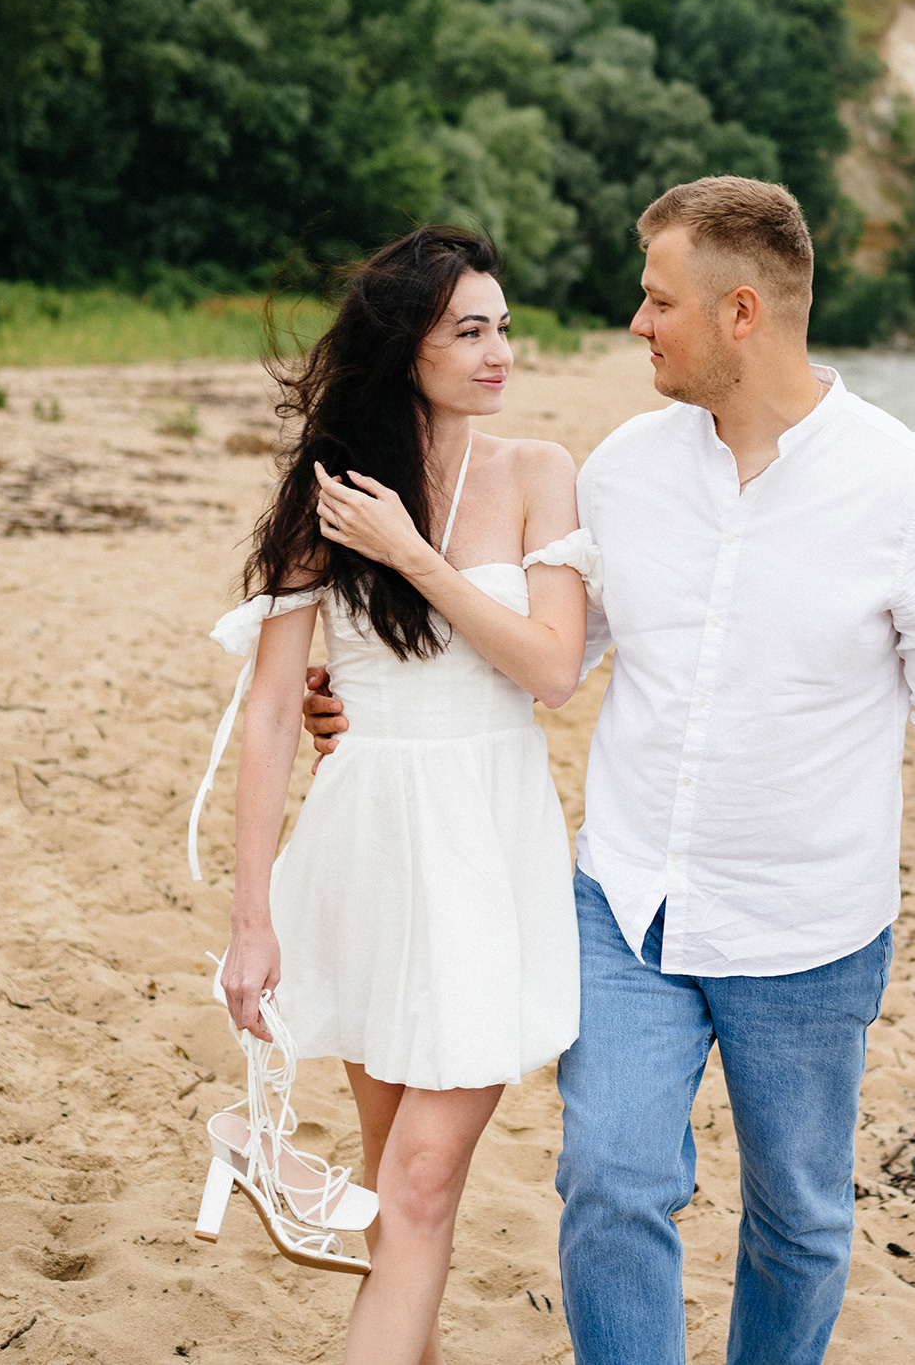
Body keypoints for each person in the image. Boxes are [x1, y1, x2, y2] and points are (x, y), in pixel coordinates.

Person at [304, 178, 915, 1364]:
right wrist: (370, 702)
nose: (636, 323)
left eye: (656, 301)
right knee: (610, 1181)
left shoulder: (907, 490)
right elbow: (550, 653)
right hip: (626, 902)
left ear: (742, 312)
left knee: (798, 1219)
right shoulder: (628, 468)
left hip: (808, 928)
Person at [194, 225, 599, 1365]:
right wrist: (252, 917)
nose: (498, 351)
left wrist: (414, 555)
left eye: (505, 326)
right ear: (403, 347)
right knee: (394, 1192)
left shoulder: (538, 472)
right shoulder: (330, 494)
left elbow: (554, 669)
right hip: (367, 839)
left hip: (488, 840)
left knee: (419, 1181)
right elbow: (275, 711)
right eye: (469, 329)